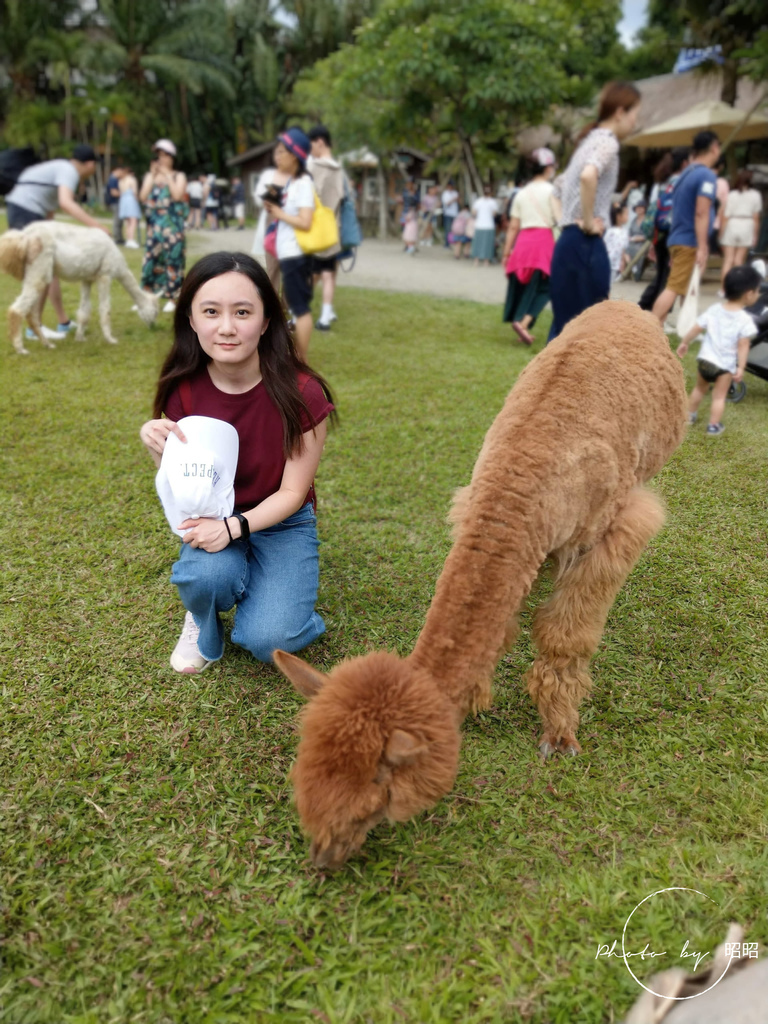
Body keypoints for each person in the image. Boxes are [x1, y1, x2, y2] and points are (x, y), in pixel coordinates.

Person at [138, 251, 335, 673]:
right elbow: (187, 483)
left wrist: (234, 529)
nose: (226, 327)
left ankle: (284, 603)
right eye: (211, 311)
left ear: (266, 322)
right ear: (191, 319)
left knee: (270, 640)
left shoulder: (303, 392)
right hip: (213, 512)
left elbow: (293, 492)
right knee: (206, 580)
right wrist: (158, 448)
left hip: (283, 521)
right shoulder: (183, 388)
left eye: (242, 312)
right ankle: (202, 617)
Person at [548, 80, 641, 339]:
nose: (635, 122)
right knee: (587, 334)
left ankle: (546, 381)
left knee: (563, 332)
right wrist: (587, 222)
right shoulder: (607, 142)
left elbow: (556, 190)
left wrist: (566, 223)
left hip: (568, 244)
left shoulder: (588, 141)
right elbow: (588, 176)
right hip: (587, 244)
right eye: (635, 114)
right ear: (620, 112)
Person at [4, 143, 109, 339]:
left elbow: (50, 216)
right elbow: (66, 203)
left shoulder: (59, 170)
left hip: (21, 208)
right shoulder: (68, 171)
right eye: (95, 165)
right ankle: (34, 328)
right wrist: (96, 226)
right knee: (41, 270)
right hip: (25, 210)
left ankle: (62, 322)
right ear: (89, 164)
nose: (94, 170)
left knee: (50, 264)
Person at [675, 264, 760, 437]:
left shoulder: (714, 310)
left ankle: (689, 416)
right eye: (758, 291)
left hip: (705, 360)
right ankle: (713, 426)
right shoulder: (745, 320)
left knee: (699, 389)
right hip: (724, 366)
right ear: (749, 294)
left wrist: (685, 342)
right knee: (719, 397)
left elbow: (697, 327)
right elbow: (743, 346)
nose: (759, 294)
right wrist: (741, 368)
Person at [651, 130, 721, 326]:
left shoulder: (684, 174)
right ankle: (649, 329)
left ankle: (684, 327)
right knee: (674, 287)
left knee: (687, 286)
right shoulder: (706, 175)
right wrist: (703, 246)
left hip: (677, 237)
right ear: (714, 148)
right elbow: (701, 212)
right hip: (689, 240)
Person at [262, 127, 316, 361]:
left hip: (296, 252)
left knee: (298, 307)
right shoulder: (286, 180)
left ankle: (300, 359)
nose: (278, 155)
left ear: (295, 155)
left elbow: (305, 221)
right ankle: (290, 347)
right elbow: (276, 210)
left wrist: (279, 213)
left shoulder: (304, 183)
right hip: (282, 248)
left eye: (283, 151)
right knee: (289, 300)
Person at [501, 147, 558, 344]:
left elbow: (513, 227)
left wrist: (506, 253)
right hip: (544, 242)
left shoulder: (521, 193)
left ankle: (522, 324)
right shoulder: (553, 192)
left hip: (523, 242)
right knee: (548, 286)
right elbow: (558, 220)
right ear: (548, 168)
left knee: (526, 286)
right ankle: (523, 322)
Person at [139, 138, 188, 313]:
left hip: (173, 227)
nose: (161, 159)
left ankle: (173, 298)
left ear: (171, 157)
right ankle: (146, 296)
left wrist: (167, 176)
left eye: (164, 155)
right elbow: (143, 197)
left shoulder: (178, 176)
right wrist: (152, 176)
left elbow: (176, 196)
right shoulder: (150, 176)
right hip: (155, 227)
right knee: (150, 261)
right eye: (158, 155)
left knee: (173, 262)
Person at [639, 147, 690, 311]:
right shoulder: (684, 182)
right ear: (684, 163)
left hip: (659, 233)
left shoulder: (661, 183)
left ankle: (644, 305)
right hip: (675, 233)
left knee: (661, 273)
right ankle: (658, 315)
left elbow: (653, 210)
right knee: (669, 279)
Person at [307, 125, 346, 331]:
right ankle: (325, 316)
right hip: (334, 228)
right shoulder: (339, 169)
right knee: (328, 273)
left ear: (320, 142)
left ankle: (299, 313)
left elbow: (308, 197)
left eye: (311, 144)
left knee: (311, 273)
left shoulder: (315, 168)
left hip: (314, 228)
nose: (310, 149)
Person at [251, 157, 290, 293]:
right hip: (272, 220)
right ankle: (273, 303)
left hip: (292, 221)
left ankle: (288, 304)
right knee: (272, 266)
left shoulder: (299, 175)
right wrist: (269, 197)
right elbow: (258, 197)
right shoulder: (269, 175)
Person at [719, 169, 763, 289]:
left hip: (732, 223)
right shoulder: (756, 195)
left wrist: (721, 234)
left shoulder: (731, 195)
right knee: (739, 259)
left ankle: (724, 289)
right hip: (747, 224)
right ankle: (738, 287)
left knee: (728, 260)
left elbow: (725, 217)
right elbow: (756, 218)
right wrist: (755, 236)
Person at [471, 185, 499, 266]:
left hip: (479, 225)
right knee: (488, 244)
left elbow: (473, 213)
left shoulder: (478, 201)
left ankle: (476, 260)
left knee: (478, 243)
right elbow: (494, 214)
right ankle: (486, 261)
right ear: (491, 192)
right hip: (489, 225)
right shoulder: (493, 202)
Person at [602, 201, 630, 282]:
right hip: (607, 262)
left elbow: (623, 248)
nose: (628, 217)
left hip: (616, 263)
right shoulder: (609, 231)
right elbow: (604, 244)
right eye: (626, 214)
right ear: (618, 216)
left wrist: (623, 260)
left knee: (609, 283)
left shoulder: (625, 231)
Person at [118, 167, 142, 249]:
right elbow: (135, 192)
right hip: (131, 200)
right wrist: (138, 200)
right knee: (133, 220)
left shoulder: (121, 180)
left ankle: (129, 239)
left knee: (128, 222)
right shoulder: (132, 179)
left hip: (123, 200)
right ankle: (131, 240)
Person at [624, 200, 648, 279]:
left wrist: (639, 238)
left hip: (643, 243)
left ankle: (635, 272)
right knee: (624, 249)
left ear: (644, 209)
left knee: (637, 249)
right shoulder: (633, 220)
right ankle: (631, 268)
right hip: (632, 242)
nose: (639, 209)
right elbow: (630, 233)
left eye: (641, 207)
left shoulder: (647, 220)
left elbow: (648, 235)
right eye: (637, 208)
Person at [105, 164, 124, 244]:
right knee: (117, 221)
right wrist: (124, 194)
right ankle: (116, 238)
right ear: (118, 171)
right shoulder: (113, 179)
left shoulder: (114, 179)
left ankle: (119, 237)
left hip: (116, 202)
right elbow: (114, 192)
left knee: (119, 221)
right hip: (115, 202)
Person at [441, 181, 459, 247]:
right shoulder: (445, 194)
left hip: (455, 213)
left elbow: (459, 201)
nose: (451, 187)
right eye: (450, 186)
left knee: (455, 229)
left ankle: (453, 242)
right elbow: (447, 203)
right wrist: (454, 199)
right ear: (448, 186)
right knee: (448, 229)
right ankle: (447, 244)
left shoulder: (455, 193)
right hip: (448, 213)